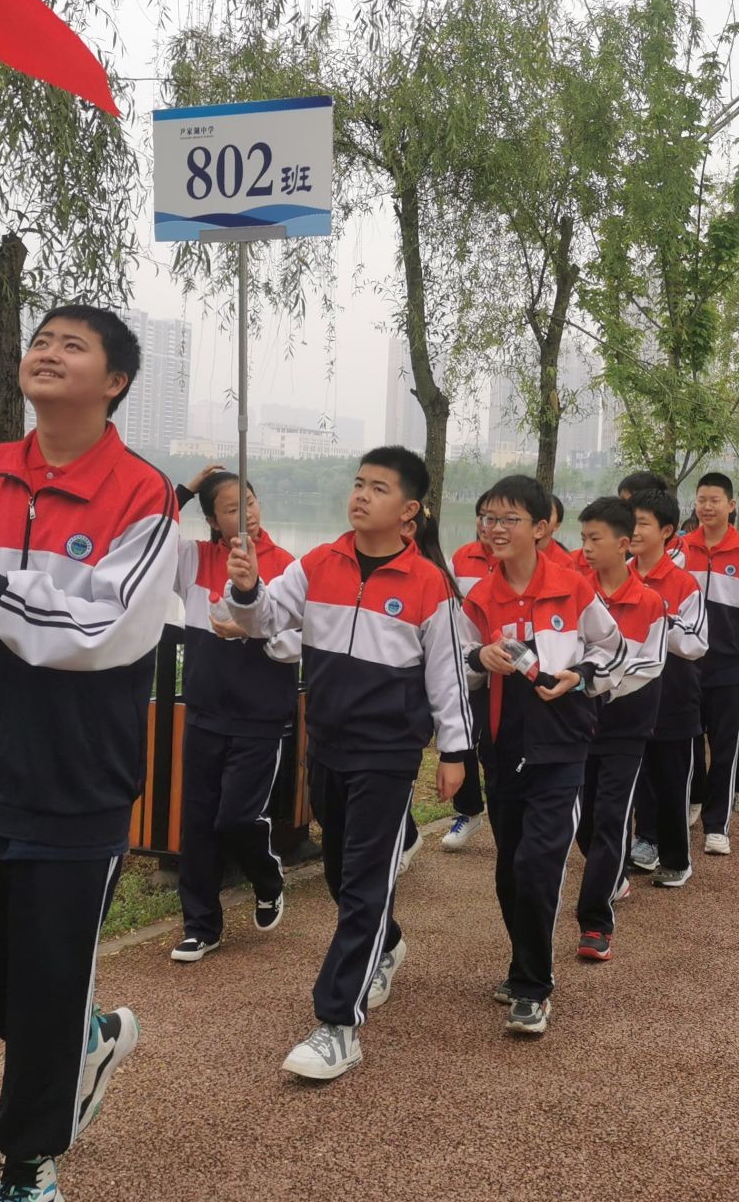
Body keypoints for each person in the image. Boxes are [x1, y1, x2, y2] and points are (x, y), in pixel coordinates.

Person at [0, 305, 177, 1198]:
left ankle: (29, 1162)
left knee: (47, 971)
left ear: (115, 383)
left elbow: (111, 625)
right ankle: (82, 1040)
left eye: (73, 345)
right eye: (41, 339)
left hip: (78, 771)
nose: (47, 352)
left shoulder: (145, 494)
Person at [226, 446, 470, 1079]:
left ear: (409, 511)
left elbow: (448, 679)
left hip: (388, 754)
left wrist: (456, 752)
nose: (361, 495)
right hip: (326, 745)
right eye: (358, 484)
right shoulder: (317, 564)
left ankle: (339, 1023)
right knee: (340, 874)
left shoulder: (427, 585)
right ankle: (386, 945)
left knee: (364, 882)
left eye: (378, 488)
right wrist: (246, 588)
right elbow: (260, 622)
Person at [459, 475, 626, 1033]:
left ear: (541, 527)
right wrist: (481, 657)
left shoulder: (574, 589)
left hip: (562, 748)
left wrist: (578, 677)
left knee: (537, 864)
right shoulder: (480, 596)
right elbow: (457, 661)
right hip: (503, 749)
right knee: (509, 870)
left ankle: (534, 986)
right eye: (488, 518)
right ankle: (521, 962)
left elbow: (613, 648)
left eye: (509, 519)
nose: (496, 529)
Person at [167, 467, 296, 963]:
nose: (246, 514)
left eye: (250, 501)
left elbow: (297, 641)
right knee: (197, 824)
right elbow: (147, 532)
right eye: (230, 508)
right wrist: (181, 490)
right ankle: (201, 925)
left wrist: (251, 629)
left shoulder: (286, 566)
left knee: (237, 817)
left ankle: (267, 876)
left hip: (259, 716)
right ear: (212, 522)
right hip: (203, 712)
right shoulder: (194, 558)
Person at [572, 497, 667, 962]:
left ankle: (595, 922)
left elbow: (650, 665)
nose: (586, 548)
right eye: (583, 538)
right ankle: (613, 874)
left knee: (611, 817)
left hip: (627, 725)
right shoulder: (572, 592)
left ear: (623, 544)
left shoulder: (649, 601)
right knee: (582, 823)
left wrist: (593, 685)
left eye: (596, 539)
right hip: (576, 726)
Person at [679, 472, 739, 857]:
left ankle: (717, 824)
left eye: (714, 500)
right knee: (687, 742)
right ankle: (693, 797)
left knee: (725, 746)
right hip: (688, 666)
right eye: (701, 499)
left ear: (731, 505)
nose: (706, 506)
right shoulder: (681, 550)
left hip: (731, 666)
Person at [624, 490, 709, 886]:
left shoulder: (684, 583)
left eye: (641, 522)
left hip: (674, 697)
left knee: (670, 781)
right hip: (624, 697)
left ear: (667, 531)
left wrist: (655, 612)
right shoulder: (615, 575)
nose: (633, 530)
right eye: (629, 521)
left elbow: (696, 644)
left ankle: (676, 858)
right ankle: (638, 844)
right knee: (627, 779)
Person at [441, 493, 497, 852]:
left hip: (512, 669)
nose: (488, 525)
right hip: (471, 664)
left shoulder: (529, 562)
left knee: (497, 748)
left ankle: (508, 813)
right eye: (483, 517)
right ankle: (469, 811)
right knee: (463, 737)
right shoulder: (460, 559)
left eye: (498, 518)